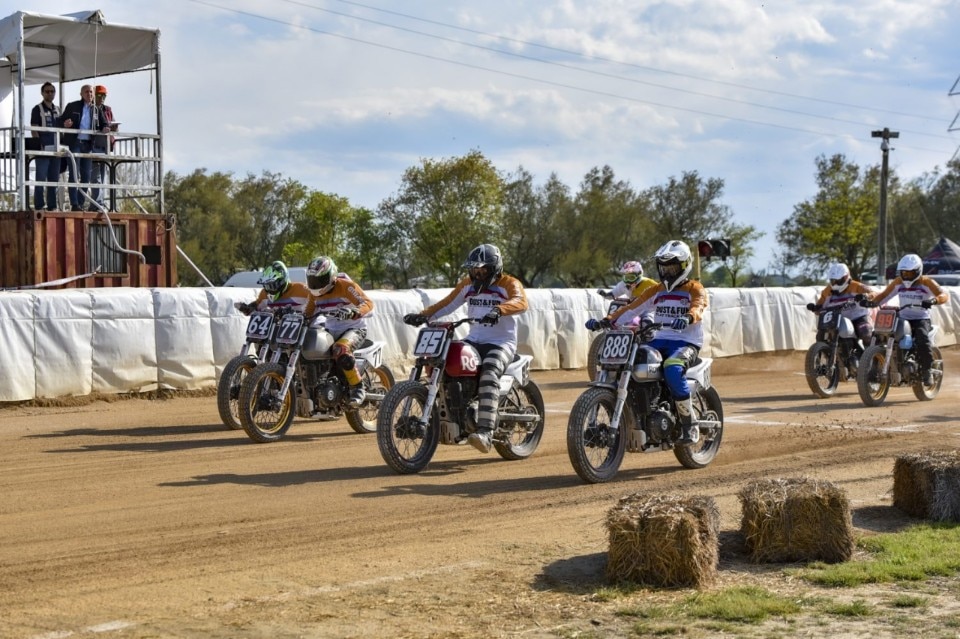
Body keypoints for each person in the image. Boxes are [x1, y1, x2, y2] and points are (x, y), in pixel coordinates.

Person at [403, 243, 528, 453]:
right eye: (474, 270)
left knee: (489, 371)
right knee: (446, 363)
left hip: (501, 342)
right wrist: (423, 315)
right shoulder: (467, 285)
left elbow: (521, 301)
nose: (477, 274)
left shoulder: (509, 283)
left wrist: (499, 310)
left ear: (494, 268)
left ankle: (486, 433)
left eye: (482, 270)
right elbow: (447, 304)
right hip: (474, 340)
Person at [585, 240, 708, 445]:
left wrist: (688, 317)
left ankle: (690, 424)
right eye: (664, 267)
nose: (667, 272)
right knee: (634, 362)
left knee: (672, 367)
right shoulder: (656, 290)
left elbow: (699, 306)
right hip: (658, 340)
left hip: (685, 342)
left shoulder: (695, 288)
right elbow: (632, 308)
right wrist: (606, 321)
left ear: (685, 266)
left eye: (672, 267)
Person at [857, 253, 949, 386]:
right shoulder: (898, 282)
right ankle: (873, 368)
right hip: (902, 317)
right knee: (877, 335)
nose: (906, 276)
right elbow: (884, 295)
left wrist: (934, 300)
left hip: (921, 319)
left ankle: (927, 370)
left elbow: (944, 295)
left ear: (918, 271)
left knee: (922, 337)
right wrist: (871, 303)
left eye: (909, 273)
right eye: (903, 273)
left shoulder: (926, 282)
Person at [305, 256, 375, 407]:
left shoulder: (346, 286)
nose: (315, 284)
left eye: (320, 279)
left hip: (354, 328)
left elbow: (368, 303)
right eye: (312, 279)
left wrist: (354, 311)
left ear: (331, 276)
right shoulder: (313, 294)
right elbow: (308, 313)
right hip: (330, 329)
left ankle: (358, 387)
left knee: (340, 349)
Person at [805, 263, 875, 374]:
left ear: (846, 277)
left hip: (859, 317)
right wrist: (816, 308)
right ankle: (822, 361)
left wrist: (866, 296)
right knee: (820, 335)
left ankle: (872, 362)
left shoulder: (857, 286)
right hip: (837, 319)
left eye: (838, 280)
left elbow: (873, 293)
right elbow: (820, 306)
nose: (835, 284)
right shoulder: (827, 291)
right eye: (833, 281)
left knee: (866, 333)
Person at [58, 84, 110, 211]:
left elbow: (104, 123)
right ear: (81, 94)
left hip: (88, 145)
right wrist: (65, 124)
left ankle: (80, 203)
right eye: (86, 92)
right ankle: (74, 204)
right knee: (74, 174)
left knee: (86, 176)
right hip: (75, 143)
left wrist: (105, 128)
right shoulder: (72, 106)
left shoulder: (96, 109)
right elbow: (60, 120)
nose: (89, 94)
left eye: (91, 92)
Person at [235, 260, 316, 315]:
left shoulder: (301, 289)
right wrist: (247, 308)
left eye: (272, 285)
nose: (269, 289)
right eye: (267, 286)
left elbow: (317, 300)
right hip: (275, 330)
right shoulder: (264, 293)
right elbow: (256, 306)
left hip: (302, 329)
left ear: (282, 281)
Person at [29, 82, 62, 211]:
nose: (50, 94)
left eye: (52, 91)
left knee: (54, 179)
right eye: (47, 91)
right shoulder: (37, 109)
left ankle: (52, 206)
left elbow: (62, 129)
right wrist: (39, 145)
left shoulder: (58, 109)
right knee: (41, 178)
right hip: (43, 149)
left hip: (56, 149)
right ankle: (39, 205)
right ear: (42, 93)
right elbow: (34, 128)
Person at [90, 84, 117, 210]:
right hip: (93, 145)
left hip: (105, 147)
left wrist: (113, 127)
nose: (101, 98)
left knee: (102, 176)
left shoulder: (108, 109)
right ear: (94, 95)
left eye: (104, 96)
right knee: (96, 177)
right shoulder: (90, 108)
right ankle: (98, 204)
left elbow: (114, 126)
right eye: (99, 95)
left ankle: (98, 203)